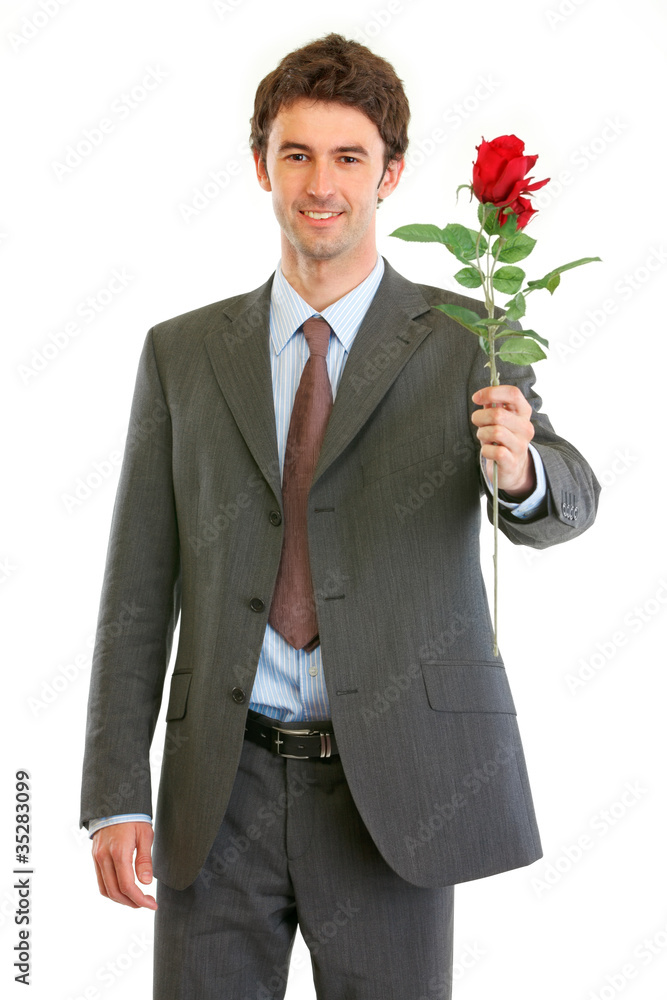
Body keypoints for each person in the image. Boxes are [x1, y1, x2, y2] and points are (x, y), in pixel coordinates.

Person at [80, 32, 600, 1000]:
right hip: (216, 790)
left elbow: (561, 506)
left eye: (349, 157)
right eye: (297, 154)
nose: (321, 184)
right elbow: (137, 585)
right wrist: (114, 792)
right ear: (261, 167)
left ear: (390, 174)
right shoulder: (183, 353)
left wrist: (521, 468)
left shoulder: (466, 341)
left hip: (395, 789)